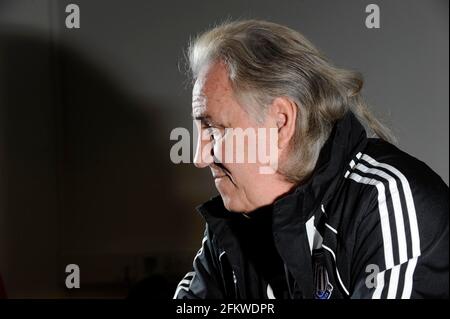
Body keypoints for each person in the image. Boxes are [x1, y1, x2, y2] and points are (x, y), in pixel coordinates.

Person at [173, 20, 448, 299]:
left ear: (280, 123)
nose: (199, 157)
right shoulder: (230, 226)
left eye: (214, 129)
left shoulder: (386, 201)